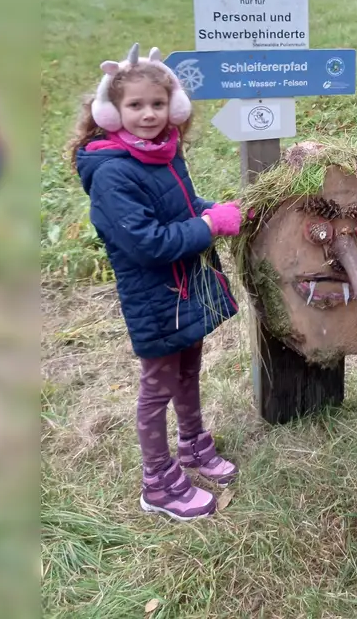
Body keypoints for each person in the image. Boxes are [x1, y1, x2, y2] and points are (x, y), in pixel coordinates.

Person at [68, 44, 242, 522]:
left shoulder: (163, 152)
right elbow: (148, 242)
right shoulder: (112, 173)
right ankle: (158, 483)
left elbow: (178, 206)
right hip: (155, 296)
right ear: (111, 111)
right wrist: (209, 227)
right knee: (158, 386)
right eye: (136, 105)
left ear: (175, 107)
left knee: (189, 371)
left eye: (158, 104)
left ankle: (193, 445)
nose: (148, 115)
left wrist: (209, 209)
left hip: (185, 288)